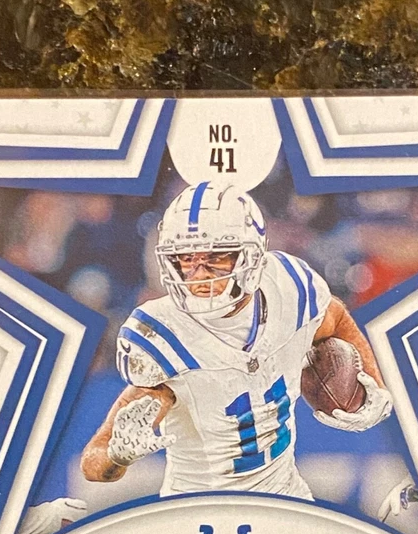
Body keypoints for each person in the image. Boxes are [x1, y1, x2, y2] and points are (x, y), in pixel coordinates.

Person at [81, 182, 393, 499]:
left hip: (286, 495)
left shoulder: (288, 285)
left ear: (252, 256)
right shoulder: (162, 332)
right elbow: (93, 462)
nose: (199, 275)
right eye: (186, 259)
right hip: (200, 507)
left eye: (215, 257)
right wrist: (117, 455)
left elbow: (336, 317)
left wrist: (375, 384)